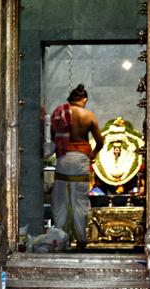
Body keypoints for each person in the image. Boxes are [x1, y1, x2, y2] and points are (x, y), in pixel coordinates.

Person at [50, 84, 103, 246]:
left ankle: (60, 239)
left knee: (61, 201)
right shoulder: (89, 115)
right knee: (80, 201)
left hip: (63, 159)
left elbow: (53, 136)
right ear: (84, 99)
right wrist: (92, 155)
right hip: (81, 159)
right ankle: (81, 240)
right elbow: (100, 141)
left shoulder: (61, 114)